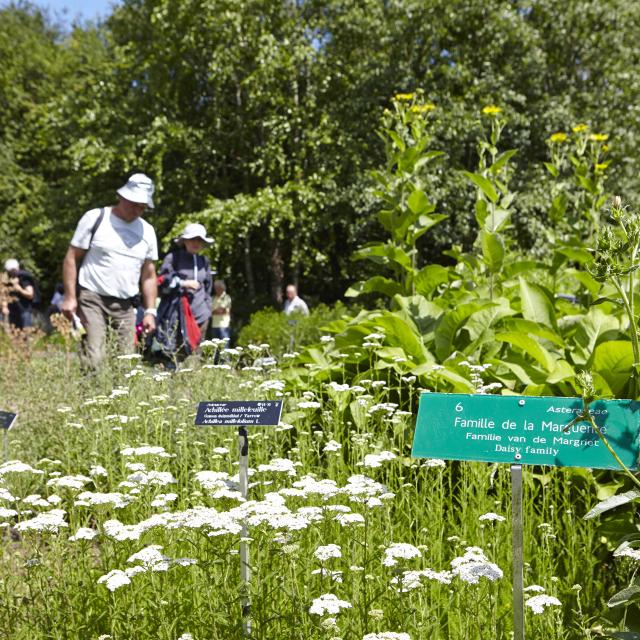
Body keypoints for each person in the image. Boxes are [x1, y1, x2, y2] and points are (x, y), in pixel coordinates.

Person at [61, 173, 158, 368]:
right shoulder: (96, 218)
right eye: (134, 203)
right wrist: (70, 297)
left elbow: (148, 275)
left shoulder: (147, 231)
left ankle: (115, 399)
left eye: (143, 206)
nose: (138, 210)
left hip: (126, 306)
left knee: (126, 363)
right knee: (94, 357)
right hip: (92, 298)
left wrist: (150, 312)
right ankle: (88, 396)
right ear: (122, 196)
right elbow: (71, 257)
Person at [153, 222, 213, 358]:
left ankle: (195, 377)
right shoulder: (173, 258)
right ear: (185, 241)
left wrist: (208, 309)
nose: (196, 243)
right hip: (177, 314)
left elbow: (208, 287)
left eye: (199, 240)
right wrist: (183, 283)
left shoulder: (204, 261)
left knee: (197, 353)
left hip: (201, 315)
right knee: (178, 352)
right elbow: (162, 281)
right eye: (192, 239)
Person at [2, 259, 39, 329]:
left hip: (24, 310)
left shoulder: (24, 278)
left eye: (13, 270)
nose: (12, 272)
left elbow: (30, 295)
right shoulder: (8, 279)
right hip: (13, 311)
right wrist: (4, 306)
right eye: (10, 271)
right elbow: (5, 293)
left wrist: (19, 289)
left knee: (26, 334)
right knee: (15, 336)